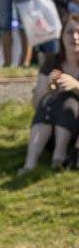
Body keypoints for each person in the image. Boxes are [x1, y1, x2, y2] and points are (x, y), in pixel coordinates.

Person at [22, 14, 79, 172]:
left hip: (75, 131)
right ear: (61, 36)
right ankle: (30, 164)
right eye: (69, 32)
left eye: (78, 32)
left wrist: (75, 86)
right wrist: (48, 88)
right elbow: (35, 103)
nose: (74, 37)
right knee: (48, 102)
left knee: (69, 102)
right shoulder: (51, 61)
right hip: (51, 129)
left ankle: (59, 158)